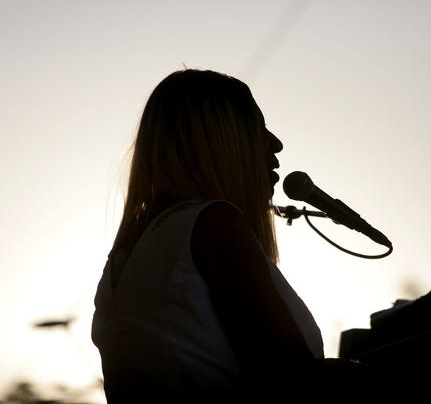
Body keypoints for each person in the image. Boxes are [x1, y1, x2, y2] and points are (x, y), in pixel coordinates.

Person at [91, 68, 387, 402]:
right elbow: (294, 382)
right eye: (256, 127)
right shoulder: (213, 224)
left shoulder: (124, 258)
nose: (275, 143)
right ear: (218, 140)